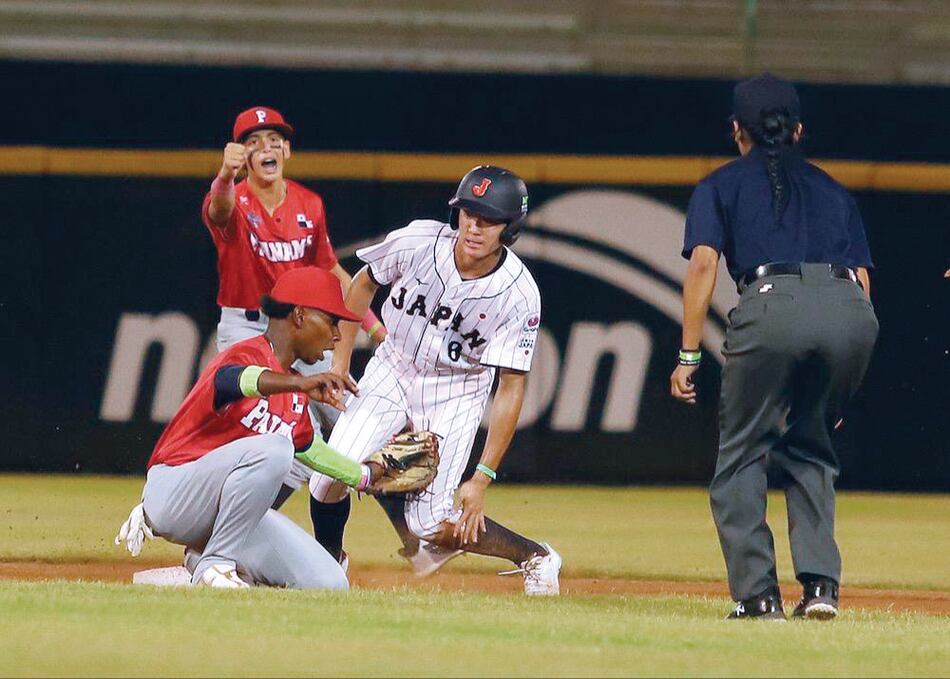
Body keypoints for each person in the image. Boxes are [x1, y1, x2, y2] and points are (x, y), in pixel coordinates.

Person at [670, 74, 879, 620]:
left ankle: (759, 597)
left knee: (742, 454)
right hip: (850, 313)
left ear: (735, 130)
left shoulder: (719, 184)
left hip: (771, 301)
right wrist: (841, 386)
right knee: (812, 447)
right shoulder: (834, 188)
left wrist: (689, 354)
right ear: (799, 130)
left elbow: (703, 264)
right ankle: (821, 590)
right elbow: (862, 279)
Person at [307, 165, 562, 595]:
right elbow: (361, 285)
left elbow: (511, 387)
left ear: (510, 227)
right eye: (467, 214)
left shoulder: (519, 294)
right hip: (393, 366)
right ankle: (329, 568)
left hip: (457, 390)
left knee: (428, 525)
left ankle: (535, 556)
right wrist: (339, 364)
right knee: (327, 480)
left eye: (488, 220)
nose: (474, 227)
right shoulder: (419, 241)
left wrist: (482, 477)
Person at [115, 267, 391, 589]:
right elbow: (235, 381)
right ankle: (215, 564)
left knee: (329, 584)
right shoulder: (244, 354)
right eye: (331, 321)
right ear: (300, 316)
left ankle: (195, 567)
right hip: (175, 493)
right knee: (276, 449)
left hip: (226, 514)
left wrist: (365, 474)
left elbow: (309, 449)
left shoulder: (293, 391)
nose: (338, 335)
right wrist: (300, 384)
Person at [202, 105, 387, 501]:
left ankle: (408, 537)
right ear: (243, 155)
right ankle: (233, 525)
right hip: (248, 329)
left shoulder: (309, 204)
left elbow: (332, 271)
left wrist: (374, 326)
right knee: (273, 431)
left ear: (286, 150)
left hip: (304, 329)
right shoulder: (235, 199)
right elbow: (218, 209)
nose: (266, 147)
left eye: (274, 140)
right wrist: (223, 176)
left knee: (353, 419)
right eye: (253, 142)